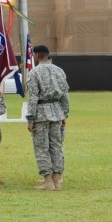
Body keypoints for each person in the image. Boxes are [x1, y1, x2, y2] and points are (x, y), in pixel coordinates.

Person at [26, 45, 70, 191]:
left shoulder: (34, 72)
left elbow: (33, 97)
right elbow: (65, 95)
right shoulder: (59, 71)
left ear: (38, 55)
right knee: (56, 146)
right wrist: (65, 113)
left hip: (40, 113)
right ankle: (57, 180)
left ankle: (48, 181)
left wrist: (30, 118)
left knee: (41, 147)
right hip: (57, 111)